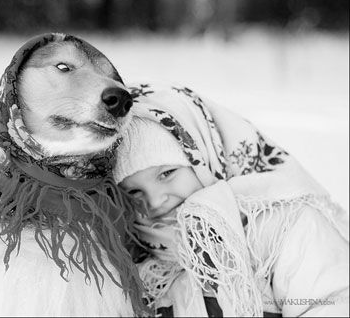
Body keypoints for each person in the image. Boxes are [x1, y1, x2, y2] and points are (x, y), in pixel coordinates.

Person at [113, 83, 349, 317]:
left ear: (206, 158)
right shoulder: (135, 256)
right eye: (134, 192)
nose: (154, 201)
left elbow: (331, 303)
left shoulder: (282, 225)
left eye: (167, 174)